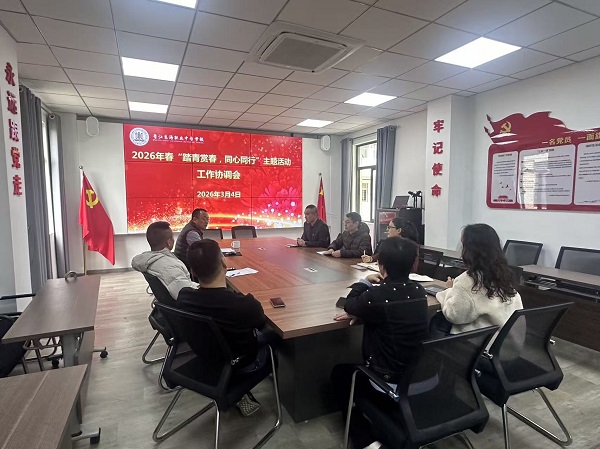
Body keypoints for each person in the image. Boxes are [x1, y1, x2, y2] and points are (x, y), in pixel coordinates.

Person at [332, 237, 429, 449]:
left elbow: (348, 304)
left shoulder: (376, 296)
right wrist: (366, 312)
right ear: (413, 264)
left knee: (340, 374)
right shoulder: (419, 292)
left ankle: (366, 441)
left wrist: (365, 281)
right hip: (424, 376)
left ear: (380, 265)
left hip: (391, 381)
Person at [177, 240, 279, 416]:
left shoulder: (184, 297)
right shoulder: (244, 305)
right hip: (242, 365)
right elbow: (261, 324)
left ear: (192, 271)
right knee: (276, 335)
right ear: (224, 263)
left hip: (206, 358)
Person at [434, 223, 523, 337]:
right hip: (505, 342)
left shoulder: (469, 281)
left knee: (437, 321)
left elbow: (453, 315)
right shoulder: (504, 275)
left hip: (478, 344)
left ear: (469, 250)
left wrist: (450, 290)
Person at [131, 221, 198, 299]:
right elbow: (186, 294)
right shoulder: (170, 266)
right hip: (186, 304)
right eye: (172, 237)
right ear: (169, 242)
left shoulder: (148, 260)